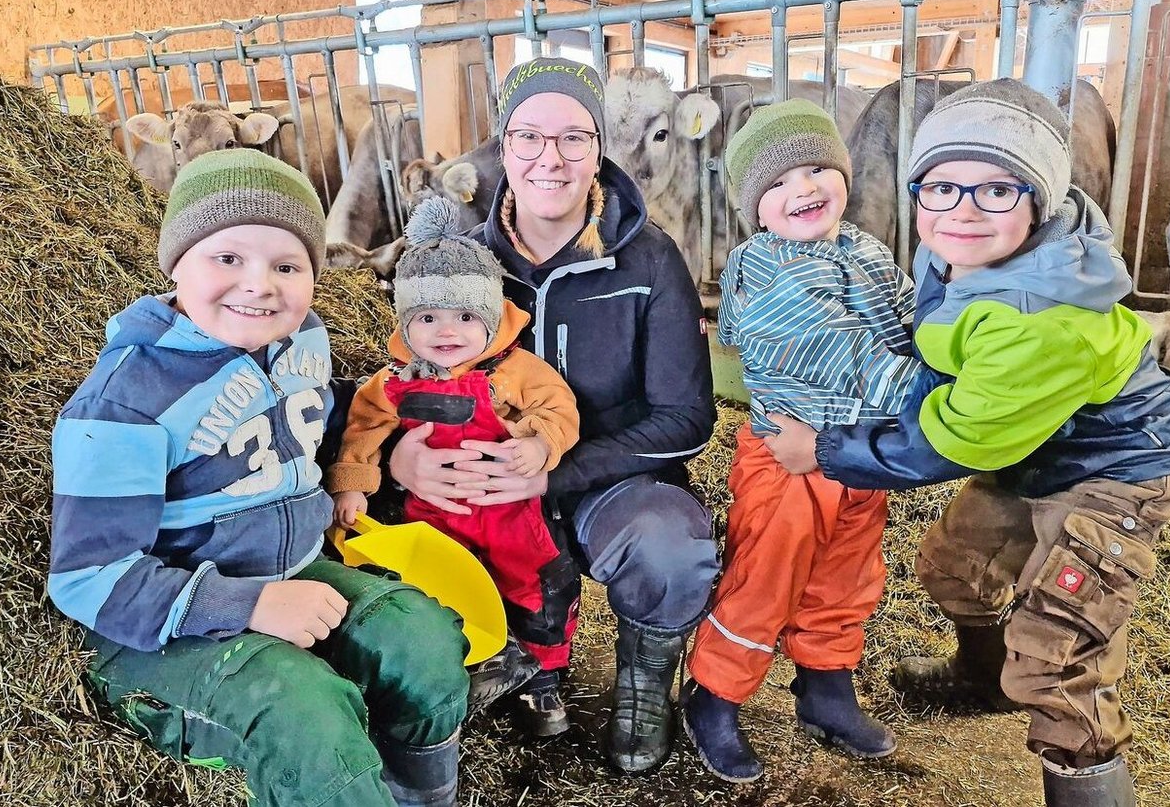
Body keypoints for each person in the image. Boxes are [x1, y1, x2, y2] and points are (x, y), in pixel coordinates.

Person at [763, 79, 1170, 807]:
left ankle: (1077, 764)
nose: (963, 209)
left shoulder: (1040, 316)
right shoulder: (958, 253)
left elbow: (951, 440)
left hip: (1118, 466)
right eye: (941, 186)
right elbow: (943, 360)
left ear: (1040, 198)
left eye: (998, 189)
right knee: (956, 566)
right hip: (1032, 442)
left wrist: (829, 448)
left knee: (1057, 659)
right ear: (919, 192)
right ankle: (983, 680)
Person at [47, 149, 470, 807]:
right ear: (177, 260)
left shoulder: (302, 338)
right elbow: (87, 576)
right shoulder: (125, 403)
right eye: (227, 258)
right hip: (157, 626)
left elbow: (305, 429)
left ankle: (416, 795)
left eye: (287, 264)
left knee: (422, 640)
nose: (260, 284)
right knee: (307, 716)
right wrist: (249, 606)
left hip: (288, 567)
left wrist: (383, 456)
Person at [383, 58, 720, 773]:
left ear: (598, 150)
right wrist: (399, 458)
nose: (551, 158)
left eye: (574, 138)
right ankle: (498, 661)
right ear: (504, 147)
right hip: (481, 472)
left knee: (670, 544)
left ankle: (642, 686)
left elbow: (686, 417)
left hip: (608, 479)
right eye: (530, 137)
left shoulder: (650, 261)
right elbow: (397, 375)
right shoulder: (461, 265)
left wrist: (555, 473)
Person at [681, 100, 917, 782]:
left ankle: (825, 689)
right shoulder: (762, 267)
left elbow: (907, 322)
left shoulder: (868, 251)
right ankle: (715, 695)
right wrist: (925, 392)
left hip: (856, 452)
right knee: (766, 574)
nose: (804, 190)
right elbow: (833, 351)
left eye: (817, 169)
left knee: (847, 574)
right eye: (779, 184)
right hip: (787, 458)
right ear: (755, 207)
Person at [326, 197, 581, 737]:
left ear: (490, 316)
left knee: (536, 583)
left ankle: (542, 680)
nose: (448, 331)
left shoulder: (514, 370)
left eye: (466, 315)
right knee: (441, 588)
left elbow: (558, 409)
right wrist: (354, 484)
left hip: (508, 509)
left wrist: (538, 445)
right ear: (404, 321)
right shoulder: (394, 380)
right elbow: (364, 426)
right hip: (435, 514)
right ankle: (471, 667)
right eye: (427, 317)